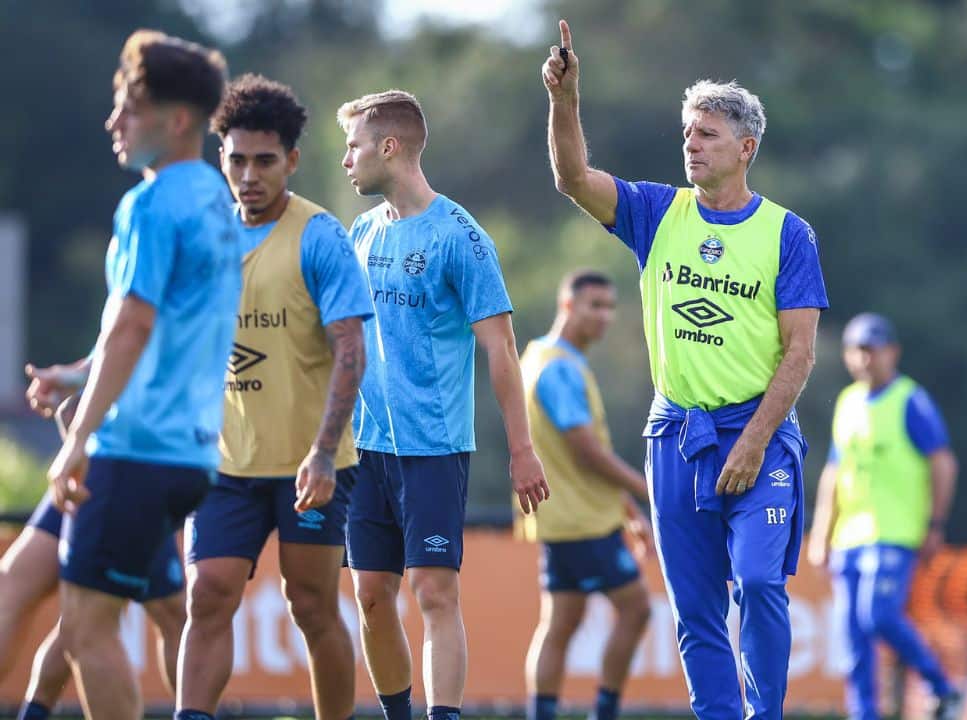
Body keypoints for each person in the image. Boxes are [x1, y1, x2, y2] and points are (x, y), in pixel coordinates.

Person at [543, 20, 829, 719]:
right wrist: (565, 100)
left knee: (759, 582)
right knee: (695, 609)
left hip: (758, 435)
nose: (690, 146)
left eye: (706, 134)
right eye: (687, 133)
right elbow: (572, 178)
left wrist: (757, 440)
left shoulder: (786, 233)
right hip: (676, 436)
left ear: (745, 147)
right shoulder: (656, 212)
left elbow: (800, 351)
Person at [37, 29, 238, 720]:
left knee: (87, 630)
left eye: (128, 106)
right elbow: (165, 332)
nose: (112, 121)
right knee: (162, 616)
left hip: (135, 450)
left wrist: (74, 441)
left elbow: (133, 326)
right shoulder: (215, 199)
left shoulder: (150, 204)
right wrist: (78, 377)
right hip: (190, 455)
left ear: (176, 120)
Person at [336, 89, 550, 720]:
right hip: (362, 449)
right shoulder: (362, 230)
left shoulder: (462, 236)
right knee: (372, 596)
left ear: (389, 147)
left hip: (433, 448)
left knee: (434, 592)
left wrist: (522, 450)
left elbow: (502, 351)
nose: (347, 160)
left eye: (354, 146)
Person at [173, 74, 373, 720]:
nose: (249, 174)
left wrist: (320, 453)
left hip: (310, 466)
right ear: (220, 158)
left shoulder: (320, 237)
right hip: (226, 465)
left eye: (265, 160)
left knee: (311, 606)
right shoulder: (205, 237)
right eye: (236, 159)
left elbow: (350, 350)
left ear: (291, 158)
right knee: (207, 594)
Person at [806, 313, 963, 720]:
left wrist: (935, 524)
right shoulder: (847, 403)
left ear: (893, 352)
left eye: (873, 350)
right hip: (849, 538)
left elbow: (943, 463)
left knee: (877, 615)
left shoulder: (910, 399)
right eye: (858, 351)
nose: (865, 359)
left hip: (894, 532)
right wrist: (822, 532)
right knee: (852, 640)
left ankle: (941, 686)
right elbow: (834, 473)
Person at [517, 270, 654, 720]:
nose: (605, 316)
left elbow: (584, 455)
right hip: (584, 522)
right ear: (567, 304)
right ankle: (606, 712)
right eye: (595, 305)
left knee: (560, 623)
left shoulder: (540, 355)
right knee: (635, 611)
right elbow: (587, 452)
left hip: (563, 517)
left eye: (610, 307)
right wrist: (647, 490)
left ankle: (544, 714)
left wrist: (627, 507)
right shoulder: (557, 368)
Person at [0, 393, 185, 720]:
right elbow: (117, 351)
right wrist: (77, 380)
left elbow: (126, 348)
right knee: (61, 607)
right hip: (101, 460)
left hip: (132, 461)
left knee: (94, 618)